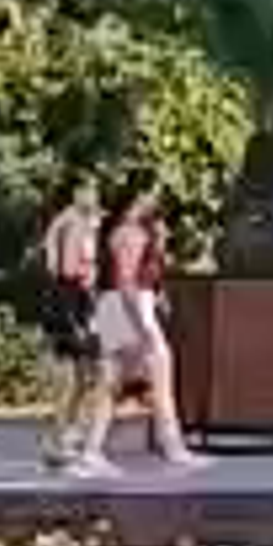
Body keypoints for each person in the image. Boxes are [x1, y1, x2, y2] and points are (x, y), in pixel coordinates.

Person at [91, 166, 194, 467]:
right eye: (154, 193)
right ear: (141, 195)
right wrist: (142, 328)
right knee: (158, 374)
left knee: (114, 383)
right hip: (129, 308)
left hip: (117, 307)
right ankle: (173, 449)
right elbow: (126, 282)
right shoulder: (130, 232)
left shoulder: (128, 230)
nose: (158, 199)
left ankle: (92, 451)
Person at [35, 168, 106, 467]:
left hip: (76, 300)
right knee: (77, 376)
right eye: (86, 189)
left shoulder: (78, 220)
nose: (92, 195)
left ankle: (63, 438)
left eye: (93, 190)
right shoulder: (71, 221)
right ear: (75, 193)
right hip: (71, 301)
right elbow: (66, 270)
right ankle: (59, 439)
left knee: (84, 376)